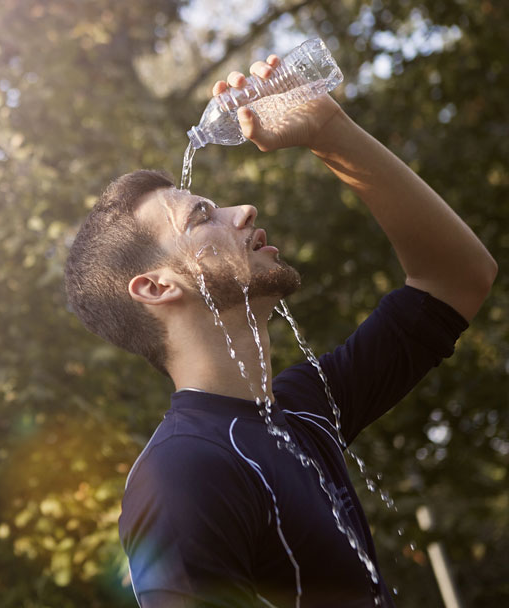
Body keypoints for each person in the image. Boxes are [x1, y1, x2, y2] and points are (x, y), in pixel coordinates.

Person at [63, 54, 497, 607]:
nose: (243, 211)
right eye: (202, 217)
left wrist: (328, 130)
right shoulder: (181, 473)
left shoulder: (303, 408)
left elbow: (456, 279)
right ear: (156, 287)